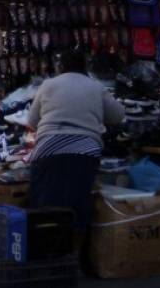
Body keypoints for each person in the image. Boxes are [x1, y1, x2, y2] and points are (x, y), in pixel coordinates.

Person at [27, 49, 124, 235]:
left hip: (49, 148)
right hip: (85, 151)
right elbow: (118, 115)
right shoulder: (95, 87)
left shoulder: (49, 85)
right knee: (78, 202)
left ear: (61, 66)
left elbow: (32, 121)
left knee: (43, 202)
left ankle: (43, 246)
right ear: (84, 66)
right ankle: (75, 250)